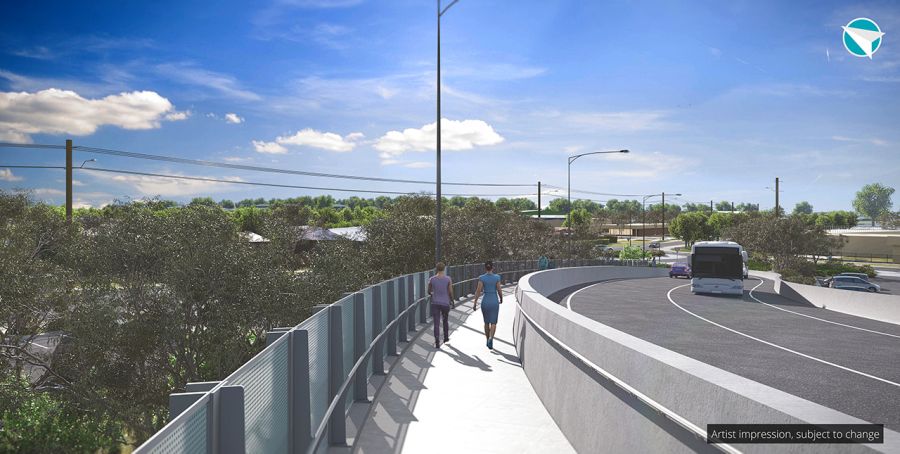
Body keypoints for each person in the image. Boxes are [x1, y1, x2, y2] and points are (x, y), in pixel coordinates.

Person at [473, 260, 502, 350]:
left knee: (486, 322)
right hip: (494, 301)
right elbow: (499, 289)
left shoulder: (482, 278)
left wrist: (475, 303)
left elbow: (478, 291)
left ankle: (487, 339)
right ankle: (491, 338)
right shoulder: (497, 277)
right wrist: (501, 298)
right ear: (492, 267)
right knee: (493, 322)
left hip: (485, 301)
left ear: (485, 268)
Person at [427, 262, 454, 348]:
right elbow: (450, 292)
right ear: (444, 269)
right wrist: (452, 301)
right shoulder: (448, 279)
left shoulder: (432, 279)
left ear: (436, 269)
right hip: (445, 303)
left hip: (435, 303)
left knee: (436, 322)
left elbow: (428, 291)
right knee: (445, 320)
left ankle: (437, 340)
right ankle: (446, 337)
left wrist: (432, 294)